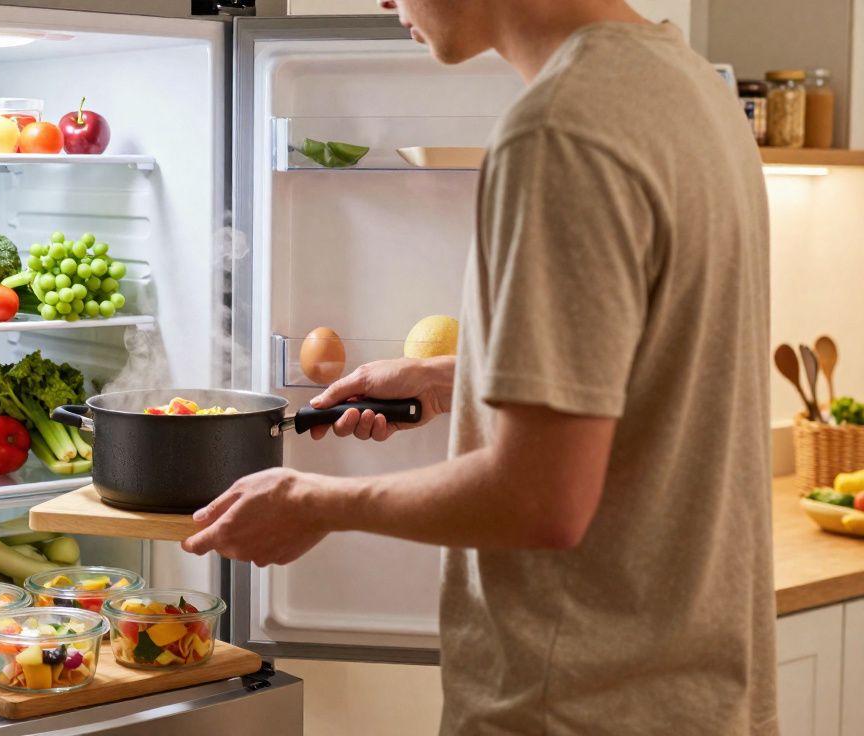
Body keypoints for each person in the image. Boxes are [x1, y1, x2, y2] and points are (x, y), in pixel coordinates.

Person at [182, 0, 776, 732]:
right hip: (696, 695)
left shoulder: (561, 130)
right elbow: (656, 373)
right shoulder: (694, 90)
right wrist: (452, 381)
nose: (384, 1)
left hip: (575, 704)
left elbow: (539, 500)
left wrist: (316, 503)